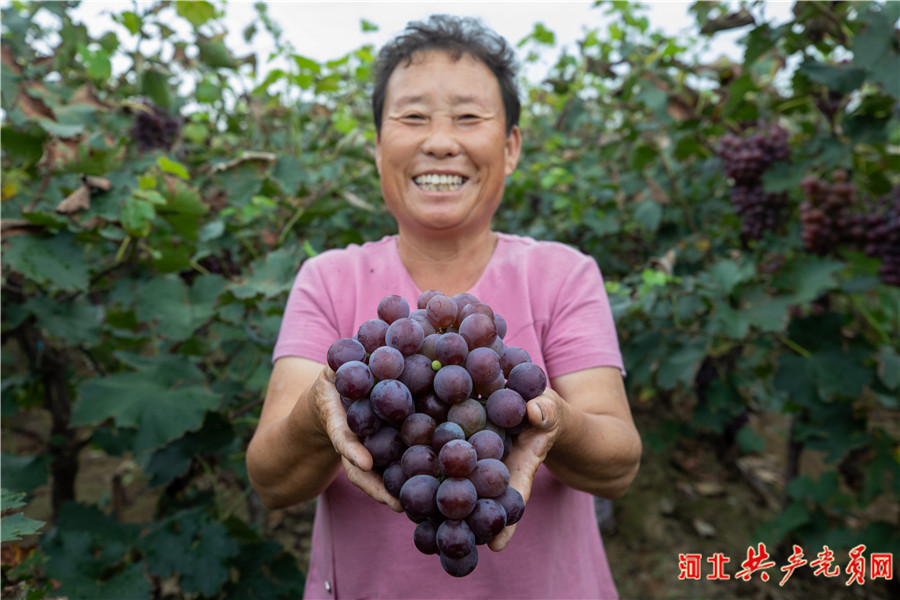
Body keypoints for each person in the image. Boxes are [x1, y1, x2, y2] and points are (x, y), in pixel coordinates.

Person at [246, 14, 642, 599]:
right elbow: (272, 482)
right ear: (378, 146)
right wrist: (319, 411)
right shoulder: (328, 279)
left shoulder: (562, 274)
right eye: (412, 117)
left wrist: (548, 419)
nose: (439, 140)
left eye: (468, 117)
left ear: (510, 148)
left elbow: (619, 466)